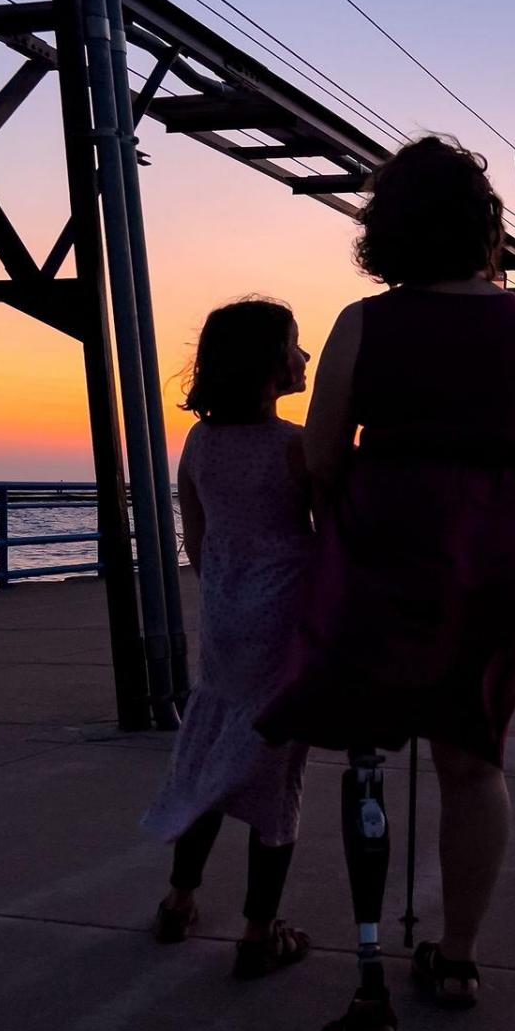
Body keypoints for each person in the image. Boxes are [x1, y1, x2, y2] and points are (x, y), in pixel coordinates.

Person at [259, 136, 515, 1031]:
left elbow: (319, 453)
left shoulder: (365, 322)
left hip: (392, 530)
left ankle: (366, 975)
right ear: (486, 228)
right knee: (474, 754)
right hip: (504, 537)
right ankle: (460, 957)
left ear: (386, 228)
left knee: (366, 746)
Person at [140, 298, 315, 980]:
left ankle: (180, 900)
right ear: (269, 365)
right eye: (296, 347)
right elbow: (332, 533)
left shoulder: (201, 443)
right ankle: (257, 932)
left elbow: (198, 537)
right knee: (277, 773)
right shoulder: (295, 445)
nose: (305, 357)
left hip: (224, 621)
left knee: (211, 757)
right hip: (284, 621)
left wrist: (228, 583)